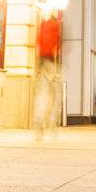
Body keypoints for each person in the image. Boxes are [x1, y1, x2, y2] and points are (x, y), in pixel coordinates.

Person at [33, 8, 63, 139]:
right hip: (52, 63)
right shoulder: (57, 26)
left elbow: (38, 41)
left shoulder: (43, 24)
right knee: (54, 99)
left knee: (41, 97)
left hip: (42, 63)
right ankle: (53, 127)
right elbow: (59, 44)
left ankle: (39, 128)